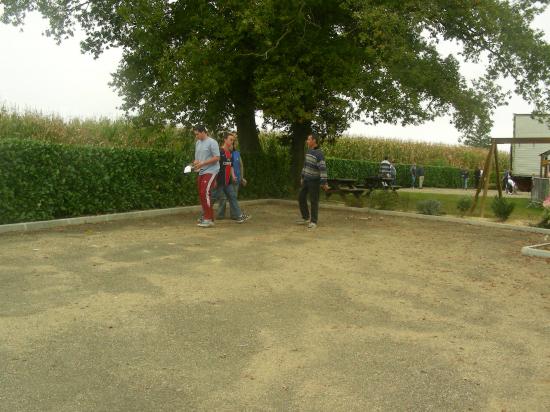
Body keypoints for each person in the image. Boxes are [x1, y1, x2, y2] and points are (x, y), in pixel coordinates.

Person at [213, 132, 250, 223]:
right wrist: (214, 180)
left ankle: (238, 216)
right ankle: (204, 216)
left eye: (233, 140)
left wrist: (233, 176)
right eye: (231, 140)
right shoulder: (219, 152)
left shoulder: (230, 153)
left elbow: (231, 166)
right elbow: (214, 167)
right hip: (219, 181)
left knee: (233, 197)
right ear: (225, 140)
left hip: (228, 181)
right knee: (212, 198)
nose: (232, 142)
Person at [297, 133, 329, 229]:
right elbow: (305, 165)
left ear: (314, 141)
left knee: (314, 201)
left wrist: (323, 182)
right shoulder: (308, 151)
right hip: (306, 179)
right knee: (301, 197)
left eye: (309, 139)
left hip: (314, 181)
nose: (307, 141)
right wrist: (302, 177)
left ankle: (313, 221)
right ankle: (306, 217)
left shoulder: (319, 154)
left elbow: (323, 169)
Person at [193, 125, 220, 228]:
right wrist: (195, 164)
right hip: (201, 171)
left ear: (203, 132)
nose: (196, 136)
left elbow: (217, 157)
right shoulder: (198, 143)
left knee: (205, 192)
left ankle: (208, 219)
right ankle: (208, 217)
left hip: (211, 170)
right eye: (195, 134)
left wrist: (203, 163)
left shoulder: (212, 142)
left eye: (197, 134)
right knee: (201, 193)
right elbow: (197, 159)